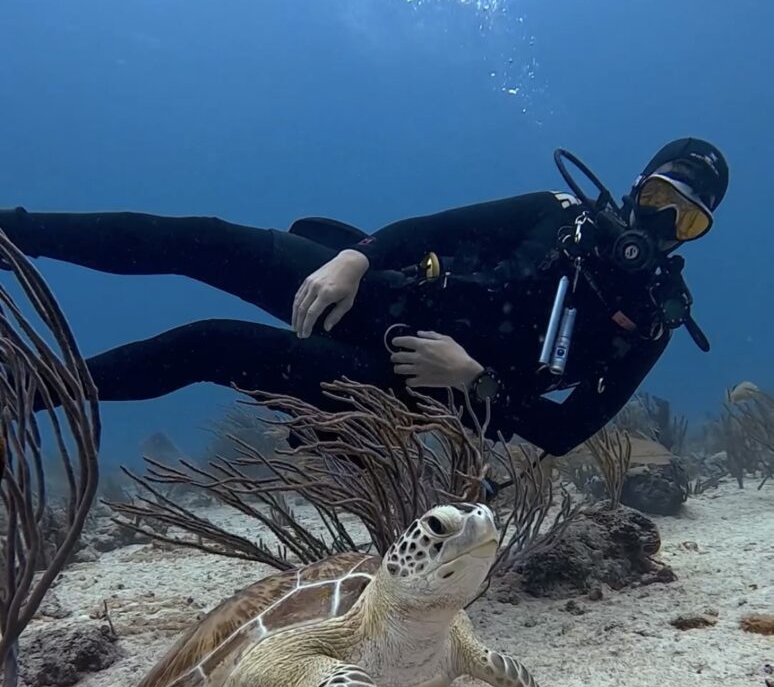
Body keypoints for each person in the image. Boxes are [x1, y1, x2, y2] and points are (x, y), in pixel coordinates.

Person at [0, 137, 728, 456]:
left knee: (205, 344)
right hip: (379, 297)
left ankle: (22, 392)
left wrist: (475, 380)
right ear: (638, 185)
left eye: (688, 217)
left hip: (408, 391)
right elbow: (425, 229)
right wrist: (354, 257)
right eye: (663, 196)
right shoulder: (555, 210)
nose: (663, 223)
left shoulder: (657, 321)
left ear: (697, 234)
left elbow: (567, 432)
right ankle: (15, 233)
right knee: (208, 239)